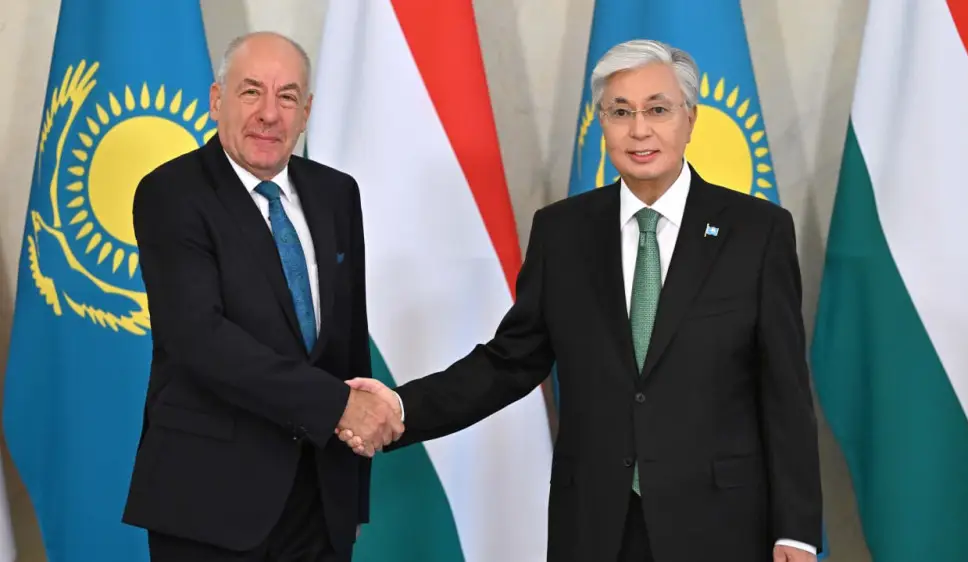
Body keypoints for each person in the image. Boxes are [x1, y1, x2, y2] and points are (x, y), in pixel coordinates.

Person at [339, 39, 822, 562]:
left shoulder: (756, 232)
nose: (639, 130)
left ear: (690, 118)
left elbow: (785, 391)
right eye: (620, 112)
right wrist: (401, 407)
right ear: (602, 125)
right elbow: (510, 362)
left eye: (658, 110)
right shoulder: (562, 232)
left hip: (720, 526)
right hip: (595, 525)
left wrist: (795, 531)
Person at [121, 31, 402, 562]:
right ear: (217, 100)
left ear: (306, 112)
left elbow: (346, 343)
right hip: (211, 503)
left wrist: (351, 498)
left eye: (287, 96)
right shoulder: (171, 194)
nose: (269, 114)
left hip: (320, 501)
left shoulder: (337, 193)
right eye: (251, 91)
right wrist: (338, 406)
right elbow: (201, 339)